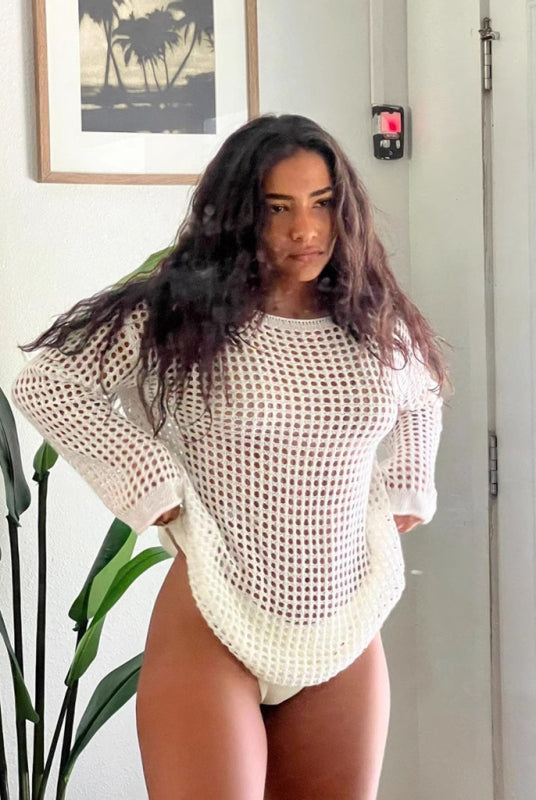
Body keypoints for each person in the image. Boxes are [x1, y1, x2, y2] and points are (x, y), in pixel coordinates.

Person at [13, 113, 445, 800]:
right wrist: (146, 477)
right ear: (240, 216)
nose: (305, 230)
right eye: (278, 209)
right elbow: (48, 383)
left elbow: (422, 392)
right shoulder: (175, 316)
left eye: (321, 203)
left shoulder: (370, 318)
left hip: (345, 622)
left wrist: (411, 478)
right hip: (215, 617)